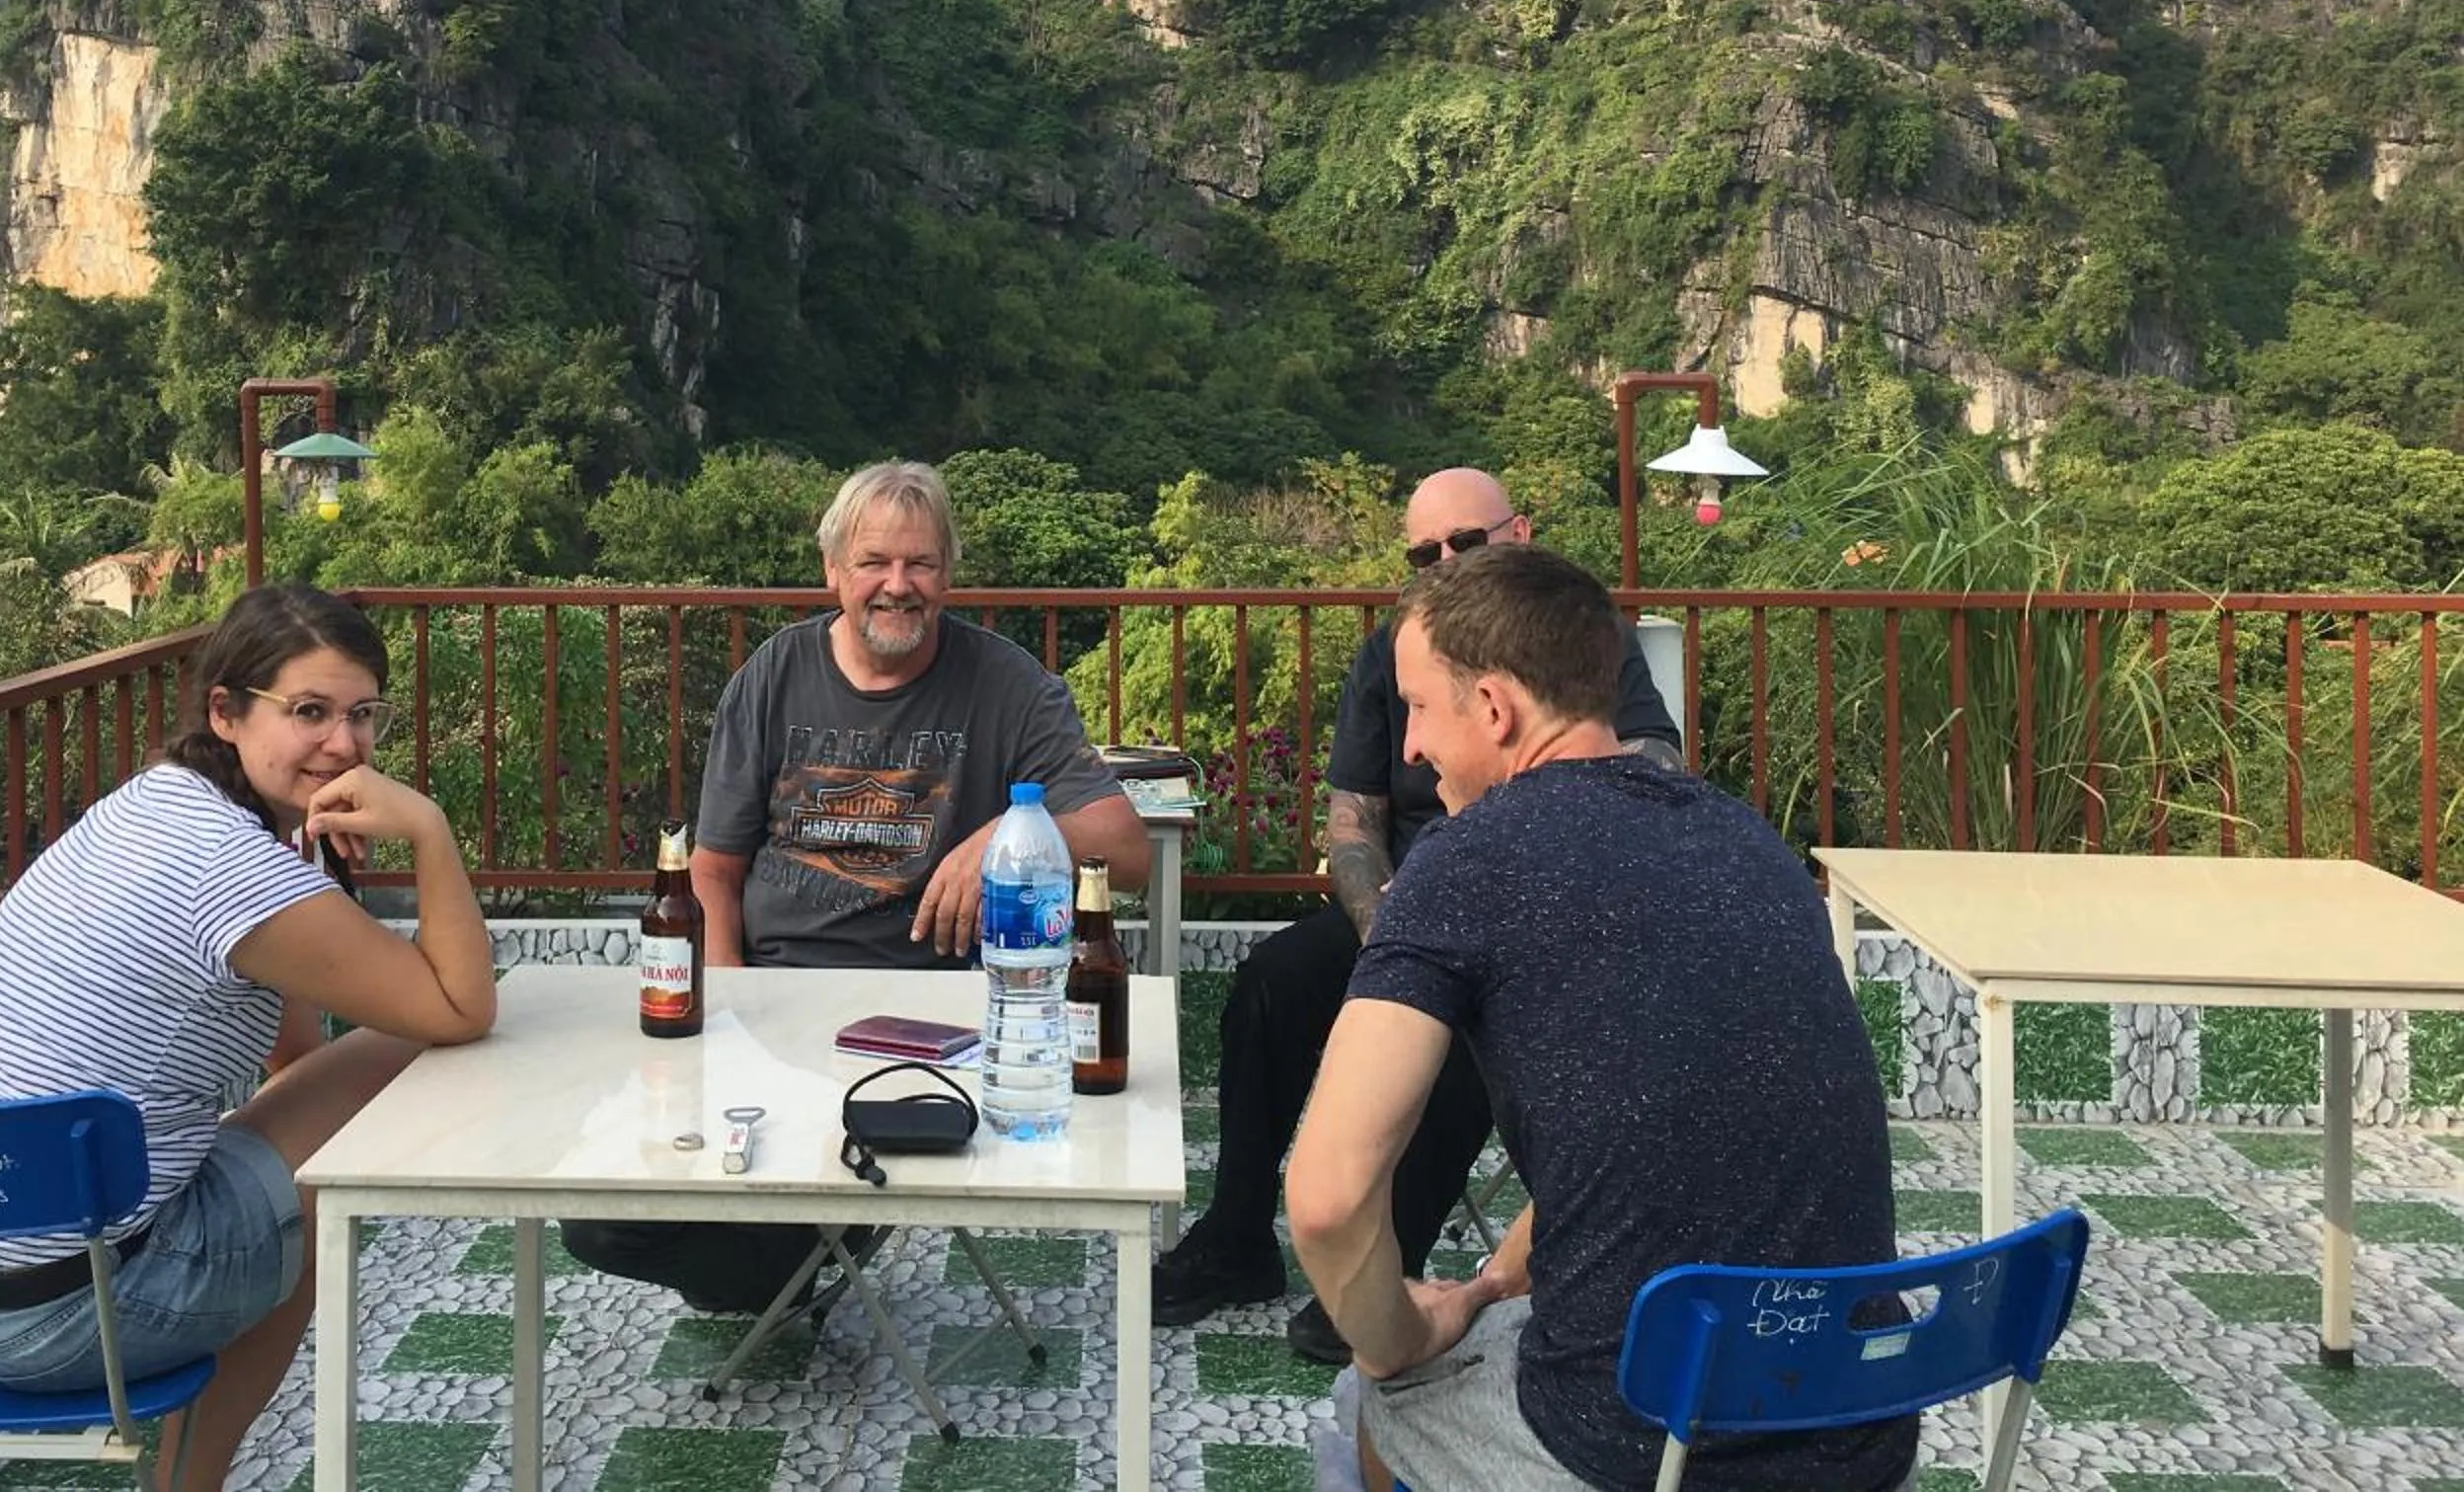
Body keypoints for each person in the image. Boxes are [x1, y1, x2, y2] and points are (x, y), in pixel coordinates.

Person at [1287, 544, 1913, 1492]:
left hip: (1647, 1449)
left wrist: (1399, 1338)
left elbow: (1328, 1201)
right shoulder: (1749, 842)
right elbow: (1665, 1126)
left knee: (1381, 1397)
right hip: (1861, 1432)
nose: (1408, 747)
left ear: (1494, 708)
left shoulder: (1464, 863)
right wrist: (1493, 1285)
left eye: (1418, 706)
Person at [0, 582, 496, 1492]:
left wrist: (306, 873)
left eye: (364, 716)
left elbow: (294, 1058)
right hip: (49, 1321)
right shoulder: (238, 874)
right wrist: (430, 835)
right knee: (342, 1145)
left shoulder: (154, 804)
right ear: (228, 713)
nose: (345, 744)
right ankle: (187, 1485)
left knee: (298, 1150)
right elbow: (460, 1010)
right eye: (309, 712)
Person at [562, 459, 1150, 1312]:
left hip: (931, 1023)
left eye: (920, 564)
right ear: (834, 570)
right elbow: (715, 872)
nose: (897, 586)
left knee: (761, 1268)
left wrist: (1003, 833)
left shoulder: (1008, 683)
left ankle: (820, 1234)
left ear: (949, 573)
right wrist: (724, 1022)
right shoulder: (771, 675)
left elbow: (1125, 848)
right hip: (773, 1008)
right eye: (874, 562)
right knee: (599, 1221)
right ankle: (818, 1237)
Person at [1152, 467, 1679, 1365]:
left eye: (1464, 543)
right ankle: (1235, 1235)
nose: (1443, 563)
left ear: (1519, 532)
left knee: (1472, 1032)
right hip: (1406, 908)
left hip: (1542, 924)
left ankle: (1377, 1275)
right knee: (1270, 987)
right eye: (1423, 552)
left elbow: (1653, 766)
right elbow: (1352, 816)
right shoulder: (1392, 651)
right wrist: (1392, 930)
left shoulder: (1570, 637)